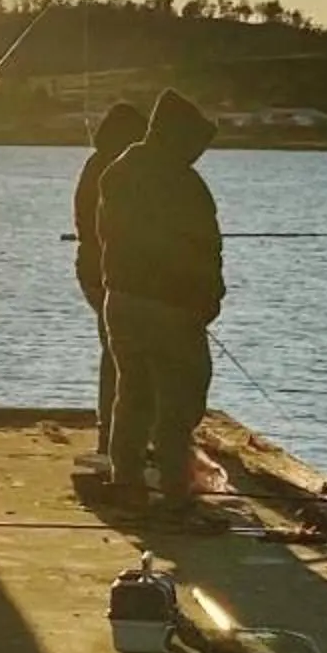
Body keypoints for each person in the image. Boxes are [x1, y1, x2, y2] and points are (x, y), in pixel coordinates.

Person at [95, 89, 232, 530]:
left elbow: (106, 237)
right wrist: (208, 299)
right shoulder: (185, 183)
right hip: (172, 307)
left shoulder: (116, 172)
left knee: (131, 395)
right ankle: (176, 497)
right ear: (178, 138)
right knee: (179, 401)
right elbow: (204, 249)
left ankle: (127, 484)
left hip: (120, 300)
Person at [74, 101, 151, 465]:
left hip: (93, 272)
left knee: (117, 352)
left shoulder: (95, 165)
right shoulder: (122, 170)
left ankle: (115, 436)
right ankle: (116, 439)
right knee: (123, 355)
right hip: (111, 275)